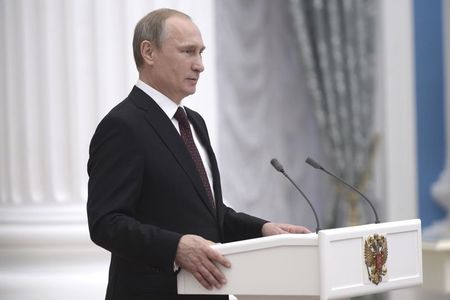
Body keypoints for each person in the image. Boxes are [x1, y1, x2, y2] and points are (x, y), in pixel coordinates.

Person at [87, 8, 310, 300]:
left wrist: (263, 230)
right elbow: (106, 223)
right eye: (188, 52)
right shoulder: (123, 125)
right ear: (148, 52)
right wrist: (175, 247)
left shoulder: (193, 122)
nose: (200, 65)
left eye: (201, 52)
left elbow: (208, 216)